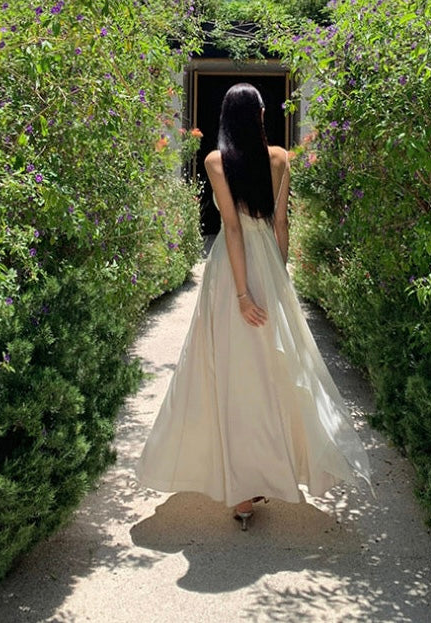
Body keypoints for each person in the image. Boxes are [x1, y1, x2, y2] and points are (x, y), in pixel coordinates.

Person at [135, 83, 371, 529]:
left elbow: (232, 228)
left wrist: (243, 294)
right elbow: (281, 224)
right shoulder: (280, 157)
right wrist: (278, 282)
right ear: (260, 116)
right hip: (265, 264)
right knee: (273, 370)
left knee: (232, 372)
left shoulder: (215, 162)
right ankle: (265, 472)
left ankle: (241, 489)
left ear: (226, 117)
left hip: (231, 272)